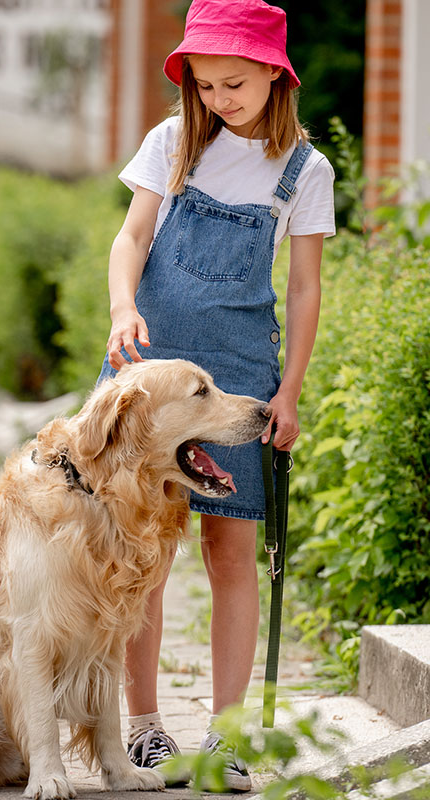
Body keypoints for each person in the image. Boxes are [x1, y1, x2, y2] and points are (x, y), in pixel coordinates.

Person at [96, 0, 335, 791]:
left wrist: (290, 390)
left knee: (230, 553)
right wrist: (123, 308)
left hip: (237, 378)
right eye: (203, 84)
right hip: (150, 376)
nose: (219, 98)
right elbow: (132, 238)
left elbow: (303, 290)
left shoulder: (305, 170)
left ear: (276, 73)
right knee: (143, 555)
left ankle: (229, 736)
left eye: (234, 82)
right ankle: (142, 730)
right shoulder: (172, 144)